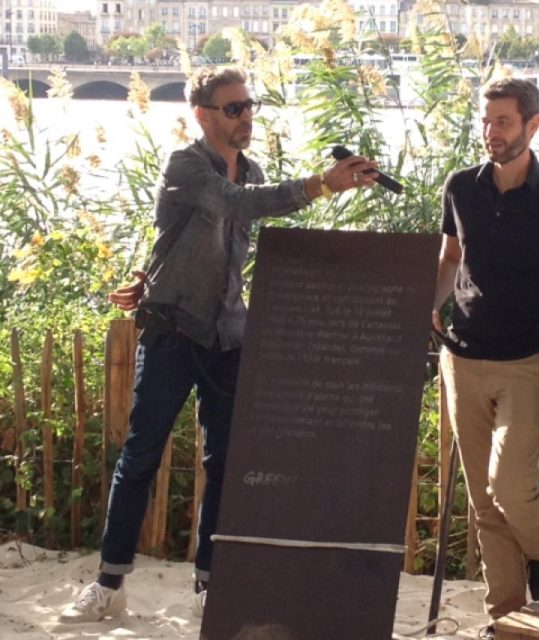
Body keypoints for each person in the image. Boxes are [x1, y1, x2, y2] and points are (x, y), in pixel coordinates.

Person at [59, 66, 378, 623]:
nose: (246, 116)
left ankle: (210, 583)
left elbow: (232, 228)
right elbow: (238, 203)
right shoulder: (186, 165)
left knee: (225, 463)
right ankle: (109, 584)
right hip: (174, 332)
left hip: (228, 334)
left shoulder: (250, 167)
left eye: (249, 106)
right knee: (140, 458)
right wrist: (323, 184)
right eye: (234, 109)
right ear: (202, 115)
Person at [432, 77, 539, 640]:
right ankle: (506, 618)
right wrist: (428, 302)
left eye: (503, 121)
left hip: (529, 360)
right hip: (463, 358)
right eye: (485, 120)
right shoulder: (460, 187)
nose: (490, 132)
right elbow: (451, 258)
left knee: (509, 483)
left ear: (532, 124)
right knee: (482, 502)